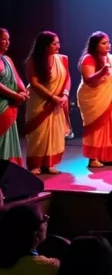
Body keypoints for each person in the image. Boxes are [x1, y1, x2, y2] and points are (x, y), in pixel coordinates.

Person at [77, 31, 112, 168]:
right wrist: (102, 71)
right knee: (96, 127)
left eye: (108, 42)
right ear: (95, 46)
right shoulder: (88, 59)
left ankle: (109, 156)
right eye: (104, 43)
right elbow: (89, 80)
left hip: (111, 97)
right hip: (93, 98)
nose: (108, 45)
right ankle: (93, 158)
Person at [24, 31, 71, 174]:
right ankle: (35, 164)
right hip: (39, 101)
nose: (58, 46)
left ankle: (49, 163)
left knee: (54, 133)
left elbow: (67, 78)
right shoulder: (33, 61)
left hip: (57, 101)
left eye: (58, 43)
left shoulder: (62, 60)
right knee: (38, 133)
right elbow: (34, 83)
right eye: (54, 43)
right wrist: (52, 97)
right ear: (45, 46)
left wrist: (65, 95)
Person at [0, 28, 28, 165]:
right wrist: (15, 96)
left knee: (9, 138)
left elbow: (17, 79)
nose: (7, 42)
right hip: (2, 105)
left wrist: (23, 92)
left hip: (10, 104)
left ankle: (9, 171)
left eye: (8, 39)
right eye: (3, 39)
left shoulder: (7, 59)